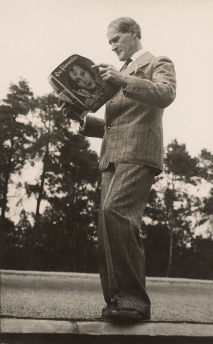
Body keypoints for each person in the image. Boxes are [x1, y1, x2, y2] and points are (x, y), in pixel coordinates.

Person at [62, 17, 176, 322]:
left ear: (134, 33)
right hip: (112, 156)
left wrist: (122, 80)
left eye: (116, 40)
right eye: (109, 43)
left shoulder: (157, 62)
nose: (112, 47)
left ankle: (135, 302)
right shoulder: (118, 73)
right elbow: (117, 126)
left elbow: (166, 94)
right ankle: (116, 302)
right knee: (106, 224)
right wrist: (81, 117)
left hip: (140, 154)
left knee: (115, 212)